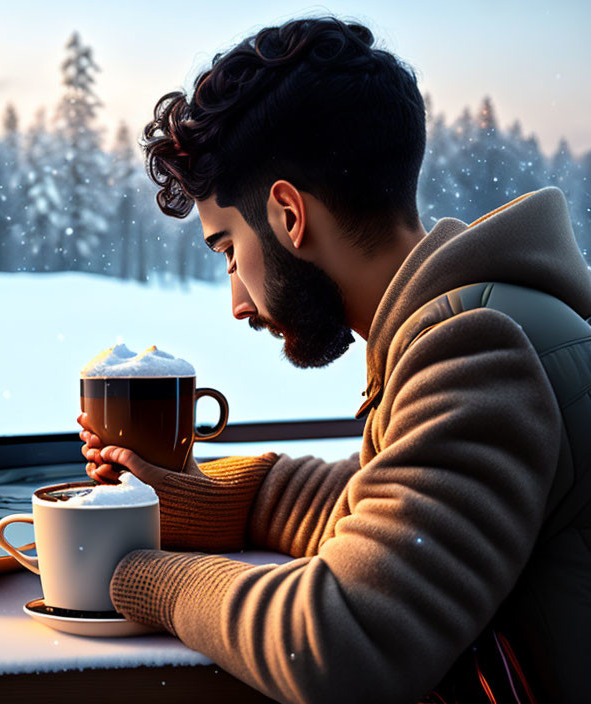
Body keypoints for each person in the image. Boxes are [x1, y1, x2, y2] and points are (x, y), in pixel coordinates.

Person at [78, 16, 591, 704]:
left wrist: (137, 575)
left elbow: (339, 643)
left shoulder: (476, 349)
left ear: (289, 214)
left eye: (229, 250)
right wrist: (218, 499)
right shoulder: (490, 321)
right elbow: (392, 513)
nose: (237, 301)